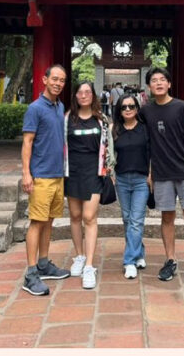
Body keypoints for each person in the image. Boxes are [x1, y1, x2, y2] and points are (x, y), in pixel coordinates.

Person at [139, 67, 184, 284]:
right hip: (161, 172)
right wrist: (149, 171)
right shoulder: (146, 111)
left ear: (169, 84)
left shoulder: (182, 107)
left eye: (162, 79)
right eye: (154, 80)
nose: (158, 83)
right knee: (167, 217)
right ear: (149, 86)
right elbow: (145, 143)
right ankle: (170, 259)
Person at [20, 64, 71, 296]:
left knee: (49, 221)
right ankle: (30, 274)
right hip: (40, 175)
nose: (58, 83)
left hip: (57, 174)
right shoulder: (35, 108)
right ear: (44, 79)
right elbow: (28, 141)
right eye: (55, 79)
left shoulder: (59, 107)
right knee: (37, 222)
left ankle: (43, 263)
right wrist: (26, 173)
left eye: (62, 80)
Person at [64, 81, 115, 290]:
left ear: (93, 96)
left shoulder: (101, 120)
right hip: (72, 172)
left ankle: (90, 266)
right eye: (80, 92)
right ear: (75, 96)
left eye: (88, 92)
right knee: (75, 216)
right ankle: (79, 256)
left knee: (89, 217)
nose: (84, 95)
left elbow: (108, 145)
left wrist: (109, 167)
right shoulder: (67, 119)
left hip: (94, 172)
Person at [112, 93, 150, 279]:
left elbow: (152, 153)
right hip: (121, 179)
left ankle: (129, 261)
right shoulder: (115, 130)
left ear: (137, 108)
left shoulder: (145, 129)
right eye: (123, 107)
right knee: (127, 219)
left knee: (136, 220)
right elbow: (108, 155)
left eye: (131, 106)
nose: (127, 109)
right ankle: (139, 252)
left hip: (141, 180)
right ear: (119, 110)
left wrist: (151, 175)